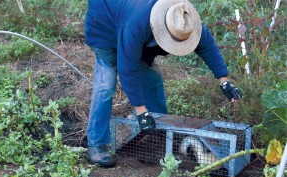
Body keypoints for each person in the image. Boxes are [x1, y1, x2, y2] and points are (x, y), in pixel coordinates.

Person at [84, 0, 242, 167]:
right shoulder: (137, 25)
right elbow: (127, 69)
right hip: (104, 27)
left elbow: (207, 45)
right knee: (106, 85)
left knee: (153, 78)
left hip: (131, 26)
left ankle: (161, 130)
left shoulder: (182, 17)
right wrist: (141, 112)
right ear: (160, 31)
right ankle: (96, 145)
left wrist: (223, 80)